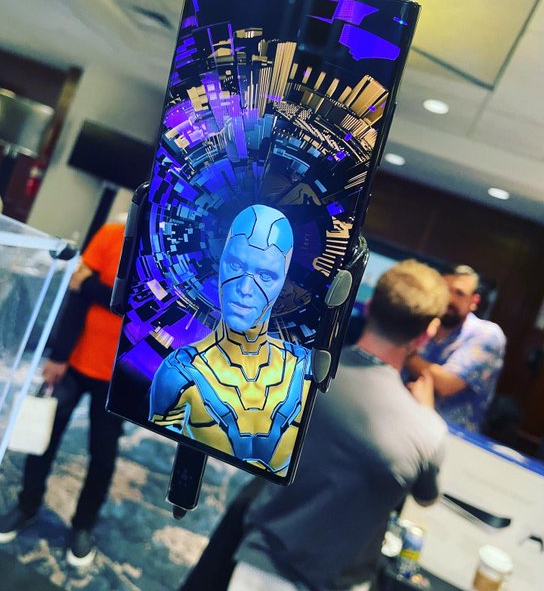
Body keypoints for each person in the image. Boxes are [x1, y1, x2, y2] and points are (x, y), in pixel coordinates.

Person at [222, 259, 449, 591]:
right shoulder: (428, 430)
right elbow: (426, 497)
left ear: (369, 305)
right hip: (343, 582)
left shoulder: (297, 373)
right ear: (426, 334)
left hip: (262, 567)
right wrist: (426, 412)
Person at [149, 204, 312, 477]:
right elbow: (152, 468)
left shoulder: (305, 369)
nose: (245, 288)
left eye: (265, 275)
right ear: (221, 263)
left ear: (283, 282)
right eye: (236, 265)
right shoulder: (179, 374)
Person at [0, 221, 125, 567]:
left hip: (123, 376)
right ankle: (27, 505)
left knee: (103, 454)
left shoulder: (170, 255)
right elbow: (77, 293)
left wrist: (95, 287)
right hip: (75, 360)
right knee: (44, 437)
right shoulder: (112, 234)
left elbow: (149, 308)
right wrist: (58, 355)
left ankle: (83, 525)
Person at [406, 264, 506, 432]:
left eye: (459, 293)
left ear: (474, 301)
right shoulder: (423, 325)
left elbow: (446, 384)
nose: (449, 299)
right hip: (405, 424)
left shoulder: (487, 334)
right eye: (444, 291)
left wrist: (403, 350)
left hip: (451, 437)